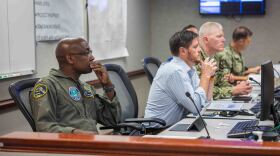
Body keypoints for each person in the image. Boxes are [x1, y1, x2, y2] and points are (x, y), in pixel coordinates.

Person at [30, 37, 121, 134]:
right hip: (69, 146)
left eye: (90, 52)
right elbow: (43, 127)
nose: (92, 57)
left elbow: (111, 121)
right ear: (70, 58)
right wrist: (76, 133)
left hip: (91, 144)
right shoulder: (48, 85)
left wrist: (107, 85)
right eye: (86, 53)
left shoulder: (86, 87)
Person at [144, 30, 217, 127]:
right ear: (183, 51)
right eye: (195, 47)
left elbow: (205, 103)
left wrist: (211, 77)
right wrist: (205, 75)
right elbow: (196, 107)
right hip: (156, 132)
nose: (200, 50)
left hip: (174, 127)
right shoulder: (174, 71)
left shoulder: (191, 69)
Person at [197, 22, 252, 100]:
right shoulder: (197, 59)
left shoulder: (212, 57)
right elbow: (202, 91)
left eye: (223, 36)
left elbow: (220, 81)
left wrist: (236, 86)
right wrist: (233, 90)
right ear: (206, 39)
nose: (224, 40)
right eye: (219, 36)